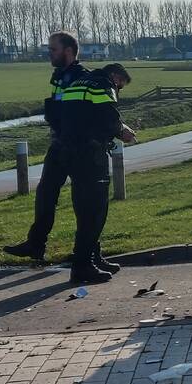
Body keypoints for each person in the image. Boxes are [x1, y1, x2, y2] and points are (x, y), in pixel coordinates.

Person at [4, 32, 87, 262]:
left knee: (82, 200)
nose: (48, 54)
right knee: (45, 194)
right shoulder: (59, 76)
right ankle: (36, 244)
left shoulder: (81, 77)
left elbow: (79, 114)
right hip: (59, 144)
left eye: (53, 50)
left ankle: (88, 250)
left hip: (77, 148)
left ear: (68, 51)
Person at [59, 63, 136, 283]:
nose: (118, 90)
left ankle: (94, 257)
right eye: (119, 85)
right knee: (96, 210)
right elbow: (108, 118)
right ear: (114, 76)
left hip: (71, 152)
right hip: (91, 153)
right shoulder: (103, 85)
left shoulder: (77, 83)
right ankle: (83, 265)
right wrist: (124, 132)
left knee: (83, 209)